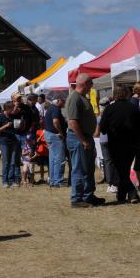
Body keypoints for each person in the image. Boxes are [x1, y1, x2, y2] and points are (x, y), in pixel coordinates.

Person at [66, 74, 105, 208]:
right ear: (84, 84)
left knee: (88, 168)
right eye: (90, 84)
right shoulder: (74, 98)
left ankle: (88, 196)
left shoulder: (81, 97)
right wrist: (83, 140)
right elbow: (73, 122)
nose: (91, 87)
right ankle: (77, 199)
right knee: (79, 169)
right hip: (78, 138)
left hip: (85, 137)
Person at [100, 86, 140, 203]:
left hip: (115, 144)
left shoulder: (109, 109)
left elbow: (102, 128)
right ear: (126, 94)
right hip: (131, 144)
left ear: (115, 95)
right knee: (124, 170)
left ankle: (131, 194)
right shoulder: (134, 108)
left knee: (121, 170)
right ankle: (122, 196)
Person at [94, 98, 118, 193]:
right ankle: (114, 183)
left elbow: (97, 132)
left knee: (107, 162)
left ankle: (109, 183)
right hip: (112, 140)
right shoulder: (112, 114)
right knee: (114, 161)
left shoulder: (99, 117)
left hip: (103, 141)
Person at [11, 93, 33, 185]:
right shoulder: (10, 106)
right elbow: (11, 116)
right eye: (17, 98)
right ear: (13, 99)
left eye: (20, 98)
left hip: (24, 134)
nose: (19, 100)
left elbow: (31, 119)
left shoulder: (26, 107)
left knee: (26, 156)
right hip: (15, 134)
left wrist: (29, 129)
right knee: (15, 156)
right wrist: (15, 108)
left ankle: (28, 178)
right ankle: (15, 178)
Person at [44, 98, 67, 187]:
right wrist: (61, 133)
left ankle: (53, 180)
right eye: (63, 101)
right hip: (55, 136)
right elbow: (55, 121)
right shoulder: (56, 108)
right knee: (60, 159)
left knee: (53, 159)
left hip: (49, 134)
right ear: (58, 101)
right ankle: (58, 181)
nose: (64, 103)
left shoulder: (51, 108)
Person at [0, 101, 19, 188]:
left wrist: (19, 125)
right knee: (6, 162)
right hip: (4, 142)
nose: (13, 110)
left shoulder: (12, 116)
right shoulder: (0, 117)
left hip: (13, 141)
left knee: (13, 162)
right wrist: (5, 126)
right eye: (12, 108)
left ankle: (11, 180)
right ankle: (4, 181)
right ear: (7, 108)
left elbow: (15, 128)